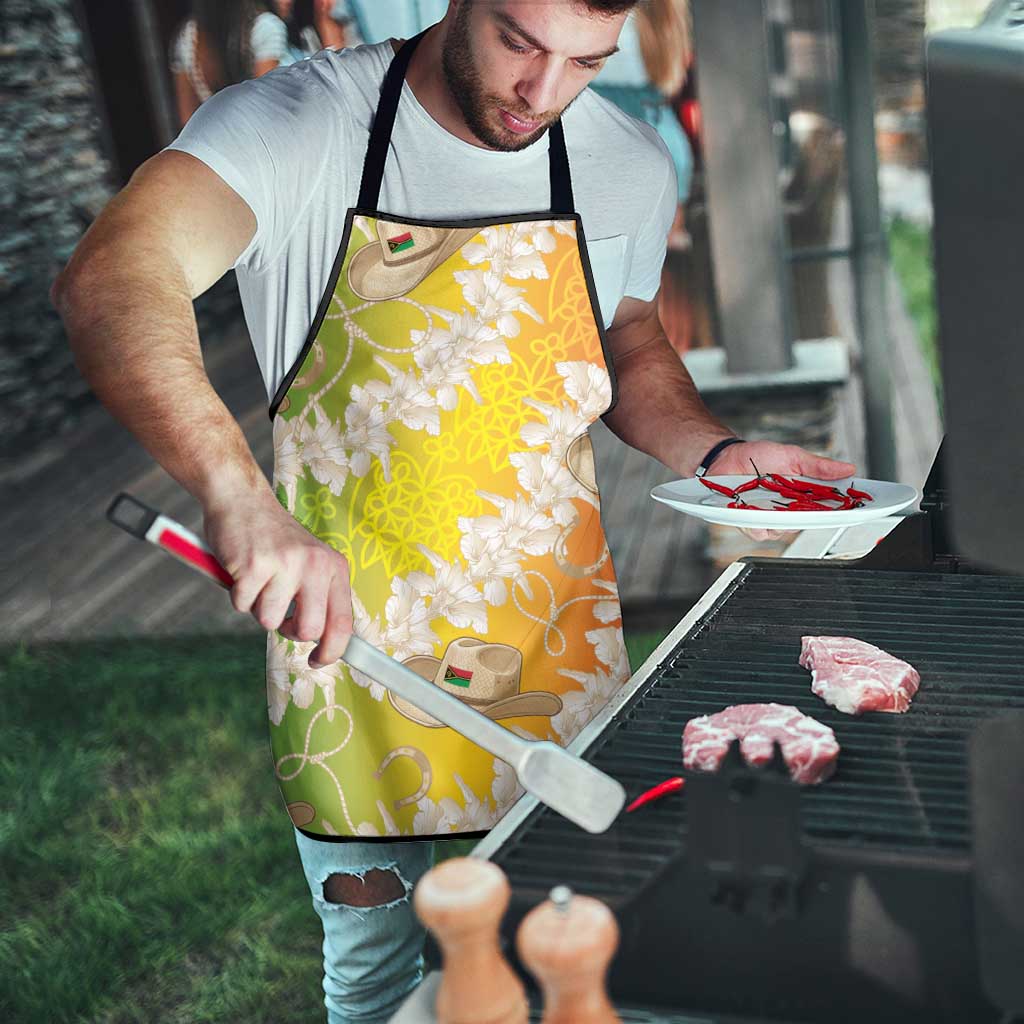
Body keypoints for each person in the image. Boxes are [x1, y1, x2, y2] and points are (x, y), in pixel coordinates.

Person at [53, 2, 856, 1020]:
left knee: (570, 955)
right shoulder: (298, 125)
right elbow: (113, 275)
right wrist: (238, 498)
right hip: (349, 651)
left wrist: (717, 448)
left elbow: (630, 337)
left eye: (585, 62)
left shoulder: (624, 160)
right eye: (521, 42)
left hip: (551, 643)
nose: (543, 93)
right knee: (380, 979)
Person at [169, 0, 289, 127]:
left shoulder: (188, 37)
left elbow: (187, 120)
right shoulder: (266, 27)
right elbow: (266, 107)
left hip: (215, 140)